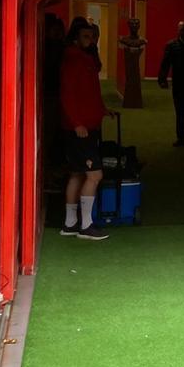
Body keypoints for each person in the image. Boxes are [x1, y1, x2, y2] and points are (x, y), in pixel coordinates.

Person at [59, 19, 114, 241]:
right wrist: (77, 123)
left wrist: (102, 109)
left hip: (83, 125)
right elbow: (67, 94)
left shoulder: (85, 59)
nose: (90, 41)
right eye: (85, 37)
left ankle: (70, 224)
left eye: (92, 37)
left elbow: (90, 91)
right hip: (80, 129)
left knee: (77, 174)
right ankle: (87, 225)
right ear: (75, 38)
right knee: (94, 174)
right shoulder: (74, 60)